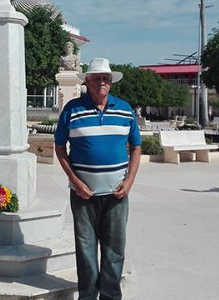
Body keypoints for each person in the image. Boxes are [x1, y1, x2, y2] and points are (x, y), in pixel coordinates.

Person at [54, 58, 141, 300]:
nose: (102, 82)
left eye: (106, 78)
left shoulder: (124, 109)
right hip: (84, 195)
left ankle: (111, 296)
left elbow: (136, 147)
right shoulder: (72, 109)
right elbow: (60, 148)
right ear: (88, 81)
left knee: (115, 250)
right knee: (86, 250)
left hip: (116, 194)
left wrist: (130, 181)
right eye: (97, 78)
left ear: (110, 83)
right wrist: (75, 181)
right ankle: (88, 296)